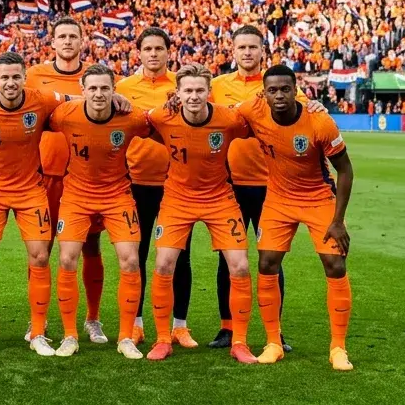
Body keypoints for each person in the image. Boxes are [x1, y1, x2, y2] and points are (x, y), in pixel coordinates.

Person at [237, 65, 356, 371]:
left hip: (318, 197)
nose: (279, 95)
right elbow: (220, 116)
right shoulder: (253, 110)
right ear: (264, 94)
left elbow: (345, 169)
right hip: (278, 199)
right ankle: (274, 343)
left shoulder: (319, 121)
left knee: (334, 263)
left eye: (285, 89)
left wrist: (338, 220)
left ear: (295, 90)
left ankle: (338, 348)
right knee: (267, 263)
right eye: (272, 90)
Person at [143, 64, 257, 364]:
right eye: (188, 91)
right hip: (177, 199)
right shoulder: (161, 116)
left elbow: (259, 119)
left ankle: (240, 342)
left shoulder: (229, 119)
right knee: (164, 264)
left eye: (199, 91)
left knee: (241, 266)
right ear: (178, 93)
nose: (194, 96)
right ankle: (163, 339)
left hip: (219, 198)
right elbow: (138, 121)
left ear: (209, 92)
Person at [48, 64, 152, 360]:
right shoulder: (65, 115)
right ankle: (70, 335)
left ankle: (125, 337)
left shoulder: (130, 117)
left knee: (131, 261)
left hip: (117, 195)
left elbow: (158, 126)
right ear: (82, 90)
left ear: (113, 91)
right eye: (92, 88)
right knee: (67, 258)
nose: (98, 93)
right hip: (77, 195)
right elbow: (37, 112)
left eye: (104, 88)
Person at [0, 52, 62, 356]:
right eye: (4, 77)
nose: (10, 82)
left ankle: (38, 332)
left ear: (24, 77)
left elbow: (77, 98)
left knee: (40, 256)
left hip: (31, 189)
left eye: (16, 76)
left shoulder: (42, 100)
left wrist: (118, 100)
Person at [26, 17, 109, 344]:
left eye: (73, 36)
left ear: (82, 41)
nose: (67, 41)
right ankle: (39, 320)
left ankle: (92, 318)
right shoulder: (34, 76)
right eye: (62, 36)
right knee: (40, 250)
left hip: (86, 178)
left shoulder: (95, 78)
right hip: (45, 175)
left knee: (91, 246)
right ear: (53, 42)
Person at [208, 24, 289, 350]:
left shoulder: (278, 85)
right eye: (241, 47)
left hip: (272, 185)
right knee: (228, 260)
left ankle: (275, 333)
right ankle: (227, 328)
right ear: (233, 50)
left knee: (271, 260)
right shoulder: (216, 86)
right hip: (230, 185)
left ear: (261, 51)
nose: (247, 52)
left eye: (252, 47)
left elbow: (304, 115)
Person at [116, 27, 195, 346]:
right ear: (139, 52)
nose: (153, 53)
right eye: (147, 48)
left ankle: (179, 325)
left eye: (159, 48)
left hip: (177, 185)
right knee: (137, 255)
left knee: (180, 257)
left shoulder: (181, 87)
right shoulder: (123, 87)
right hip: (134, 183)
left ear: (168, 52)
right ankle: (136, 323)